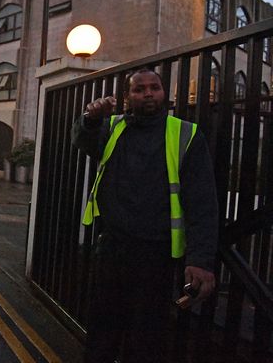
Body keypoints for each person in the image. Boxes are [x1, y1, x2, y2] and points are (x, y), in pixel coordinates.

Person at [71, 68, 218, 362]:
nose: (148, 93)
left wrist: (200, 260)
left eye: (155, 87)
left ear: (165, 93)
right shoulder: (112, 127)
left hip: (156, 254)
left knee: (146, 337)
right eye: (139, 89)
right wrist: (90, 119)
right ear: (128, 97)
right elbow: (83, 141)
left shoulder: (185, 133)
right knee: (102, 331)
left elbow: (203, 201)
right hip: (112, 248)